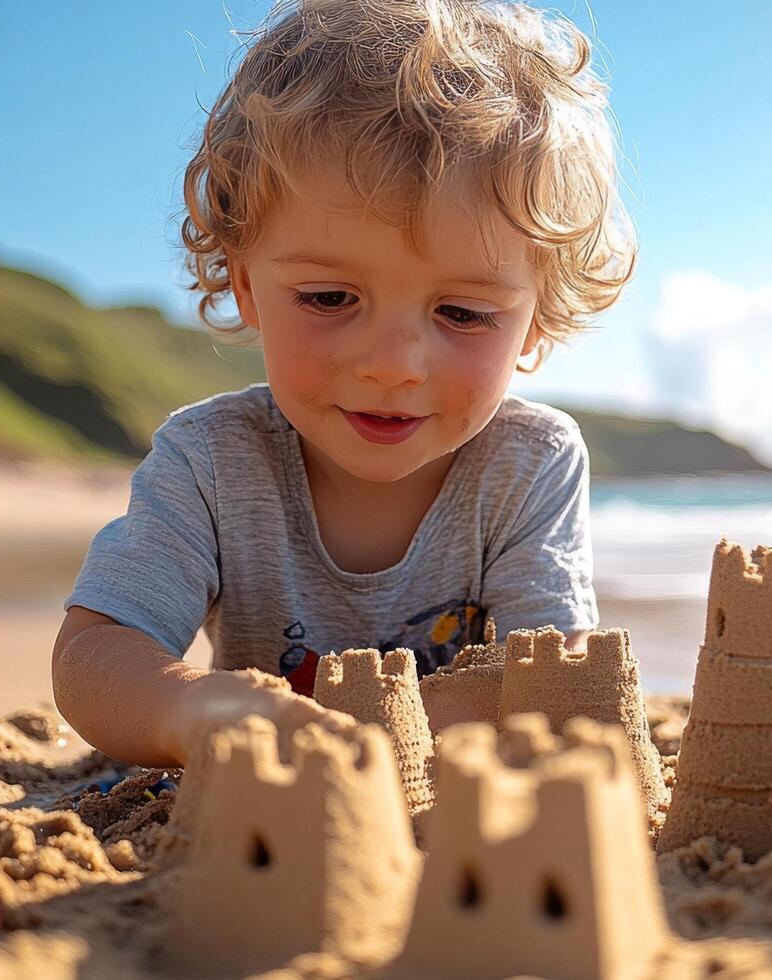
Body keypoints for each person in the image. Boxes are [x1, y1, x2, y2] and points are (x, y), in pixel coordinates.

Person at [51, 0, 636, 767]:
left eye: (462, 311)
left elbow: (552, 679)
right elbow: (95, 655)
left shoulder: (528, 464)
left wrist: (372, 731)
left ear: (534, 322)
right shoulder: (211, 460)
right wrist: (195, 711)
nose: (392, 363)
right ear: (247, 287)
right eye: (330, 298)